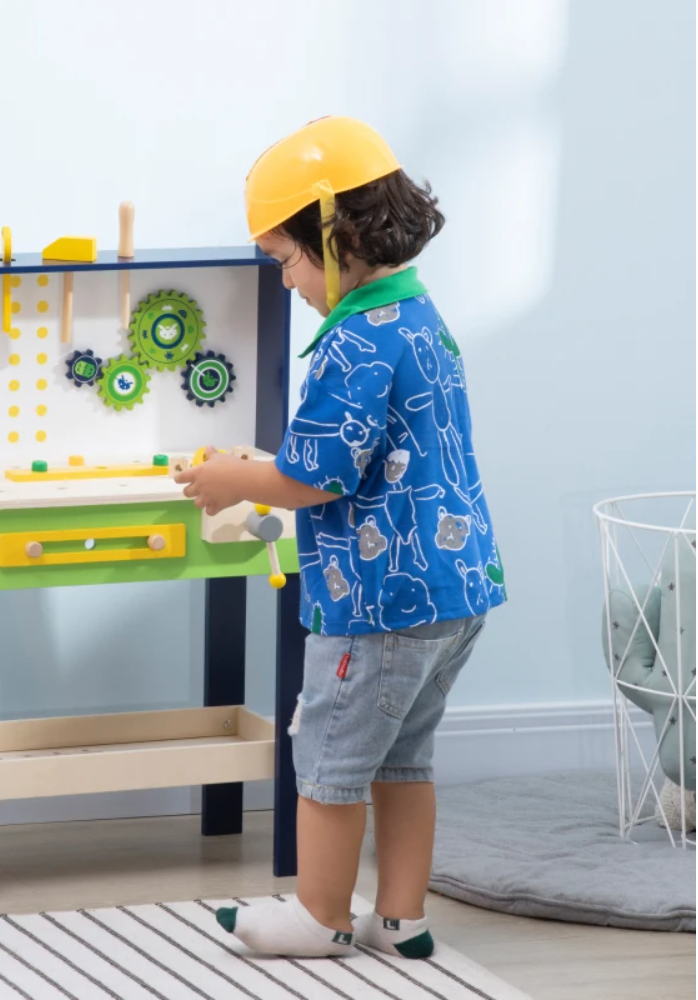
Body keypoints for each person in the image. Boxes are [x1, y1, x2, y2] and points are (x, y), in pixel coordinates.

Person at [174, 116, 507, 959]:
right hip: (453, 591)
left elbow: (313, 478)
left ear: (334, 235)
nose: (286, 281)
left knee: (328, 758)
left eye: (284, 259)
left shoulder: (353, 341)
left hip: (378, 603)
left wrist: (232, 478)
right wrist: (264, 470)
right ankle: (401, 919)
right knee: (403, 760)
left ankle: (319, 916)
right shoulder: (418, 316)